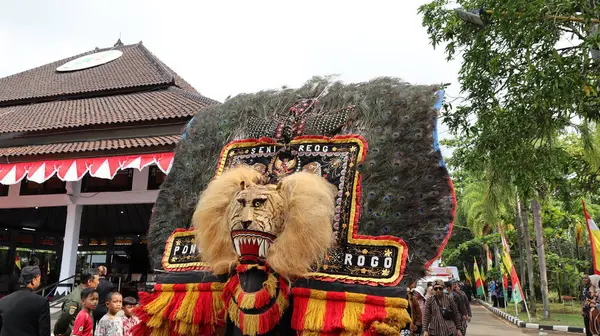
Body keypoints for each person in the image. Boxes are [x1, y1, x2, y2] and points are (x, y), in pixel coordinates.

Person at [0, 266, 50, 336]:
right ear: (34, 280)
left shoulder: (3, 301)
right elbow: (44, 332)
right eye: (39, 279)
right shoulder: (42, 302)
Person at [54, 272, 100, 336]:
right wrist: (59, 332)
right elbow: (65, 317)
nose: (98, 282)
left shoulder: (88, 294)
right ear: (89, 282)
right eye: (97, 280)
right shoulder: (75, 298)